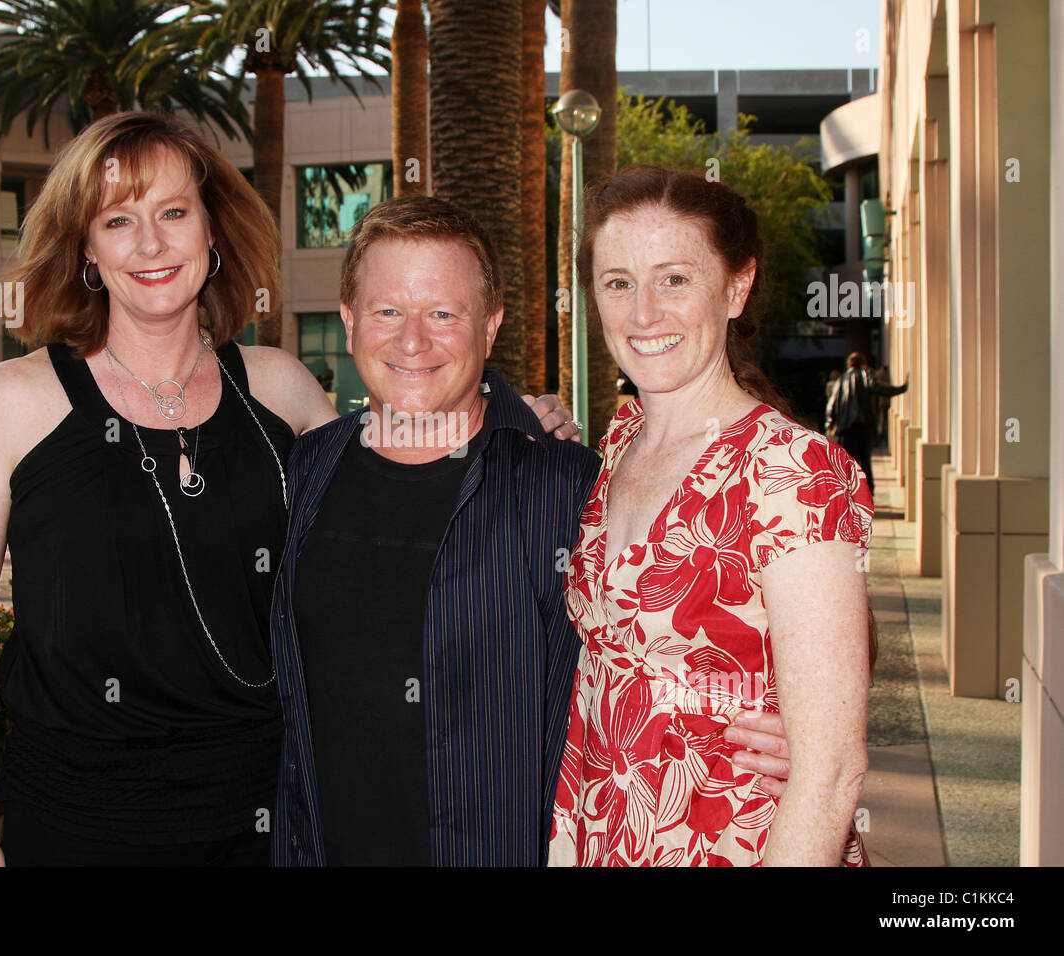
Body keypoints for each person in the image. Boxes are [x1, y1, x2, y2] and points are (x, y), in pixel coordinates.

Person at [0, 111, 574, 867]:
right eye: (118, 220)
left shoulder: (278, 388)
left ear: (213, 233)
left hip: (259, 820)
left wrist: (520, 420)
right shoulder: (14, 401)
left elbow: (403, 462)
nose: (152, 243)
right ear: (87, 251)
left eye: (174, 212)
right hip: (77, 822)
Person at [270, 195, 794, 867]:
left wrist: (775, 727)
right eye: (387, 311)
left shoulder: (571, 488)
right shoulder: (308, 468)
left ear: (490, 328)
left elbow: (698, 621)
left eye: (442, 313)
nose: (412, 340)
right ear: (348, 321)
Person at [549, 165, 874, 866]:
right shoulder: (616, 448)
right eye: (617, 282)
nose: (643, 313)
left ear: (736, 286)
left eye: (674, 278)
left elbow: (832, 770)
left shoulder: (790, 471)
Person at [826, 351, 908, 494]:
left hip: (846, 429)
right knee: (865, 462)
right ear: (863, 362)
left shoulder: (841, 380)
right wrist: (900, 389)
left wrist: (830, 427)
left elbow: (831, 407)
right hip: (864, 427)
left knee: (847, 464)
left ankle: (849, 494)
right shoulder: (866, 374)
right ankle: (868, 494)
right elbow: (878, 388)